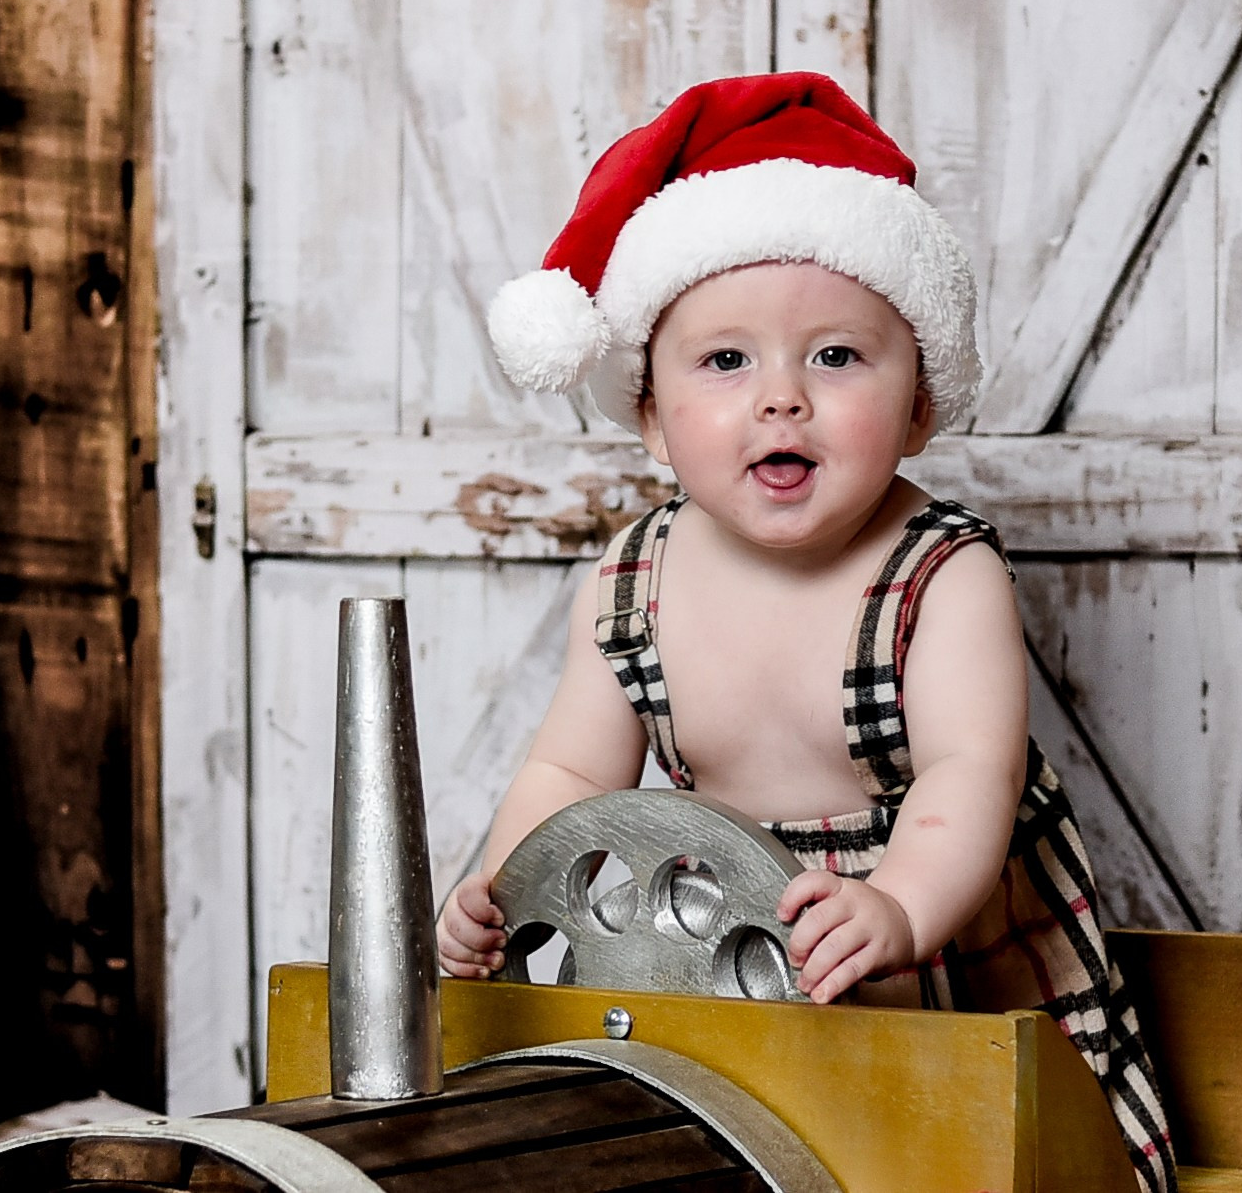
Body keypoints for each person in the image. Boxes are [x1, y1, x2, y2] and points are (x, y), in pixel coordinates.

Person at [436, 72, 1176, 1193]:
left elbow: (973, 770)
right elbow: (570, 765)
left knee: (967, 1159)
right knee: (727, 1155)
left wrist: (901, 904)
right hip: (714, 946)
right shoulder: (636, 577)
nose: (782, 397)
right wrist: (503, 884)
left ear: (920, 400)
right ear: (647, 410)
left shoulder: (941, 571)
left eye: (836, 356)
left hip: (939, 960)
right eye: (726, 361)